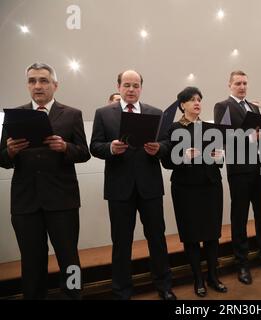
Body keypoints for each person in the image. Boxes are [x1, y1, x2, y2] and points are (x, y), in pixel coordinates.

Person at [0, 62, 91, 299]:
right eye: (32, 81)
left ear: (55, 85)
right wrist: (9, 151)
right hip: (25, 201)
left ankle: (74, 296)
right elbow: (2, 159)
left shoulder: (72, 114)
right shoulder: (13, 116)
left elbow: (83, 152)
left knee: (70, 258)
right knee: (31, 260)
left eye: (43, 80)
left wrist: (65, 147)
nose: (37, 86)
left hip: (62, 200)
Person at [90, 70, 175, 300]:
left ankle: (164, 286)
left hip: (150, 186)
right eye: (126, 85)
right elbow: (94, 146)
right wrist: (110, 148)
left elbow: (168, 144)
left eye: (135, 85)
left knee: (157, 239)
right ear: (118, 86)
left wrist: (160, 149)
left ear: (141, 88)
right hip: (119, 189)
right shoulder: (103, 114)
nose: (131, 89)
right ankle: (121, 291)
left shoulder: (155, 113)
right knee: (121, 243)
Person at [213, 70, 261, 286]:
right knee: (240, 216)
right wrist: (249, 136)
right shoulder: (222, 106)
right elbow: (222, 135)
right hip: (239, 167)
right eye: (238, 83)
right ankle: (242, 263)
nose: (242, 86)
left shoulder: (254, 107)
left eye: (245, 83)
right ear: (230, 85)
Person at [162, 86, 227, 297]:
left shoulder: (212, 128)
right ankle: (198, 278)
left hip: (211, 186)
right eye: (191, 100)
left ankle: (213, 276)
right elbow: (165, 161)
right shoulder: (172, 129)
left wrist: (219, 157)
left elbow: (219, 160)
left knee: (211, 235)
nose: (196, 103)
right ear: (182, 105)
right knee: (191, 236)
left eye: (199, 99)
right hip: (185, 189)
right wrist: (182, 157)